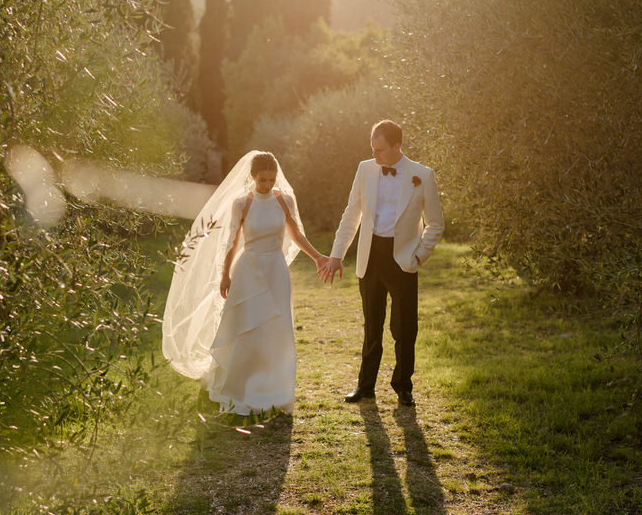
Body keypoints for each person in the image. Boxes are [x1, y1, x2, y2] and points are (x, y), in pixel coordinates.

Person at [163, 151, 326, 415]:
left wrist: (318, 257)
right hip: (248, 270)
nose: (268, 184)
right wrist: (225, 274)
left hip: (276, 270)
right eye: (263, 180)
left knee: (276, 329)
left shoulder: (283, 200)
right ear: (252, 177)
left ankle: (275, 392)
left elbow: (295, 233)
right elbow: (231, 242)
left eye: (272, 179)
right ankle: (242, 389)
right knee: (247, 330)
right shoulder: (242, 203)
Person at [319, 120, 444, 407]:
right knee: (371, 324)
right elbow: (351, 215)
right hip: (370, 255)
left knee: (405, 327)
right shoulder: (365, 169)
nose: (375, 156)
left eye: (381, 150)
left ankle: (403, 386)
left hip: (403, 259)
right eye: (372, 149)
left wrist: (418, 256)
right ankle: (365, 386)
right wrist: (337, 254)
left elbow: (436, 224)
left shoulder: (422, 175)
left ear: (397, 146)